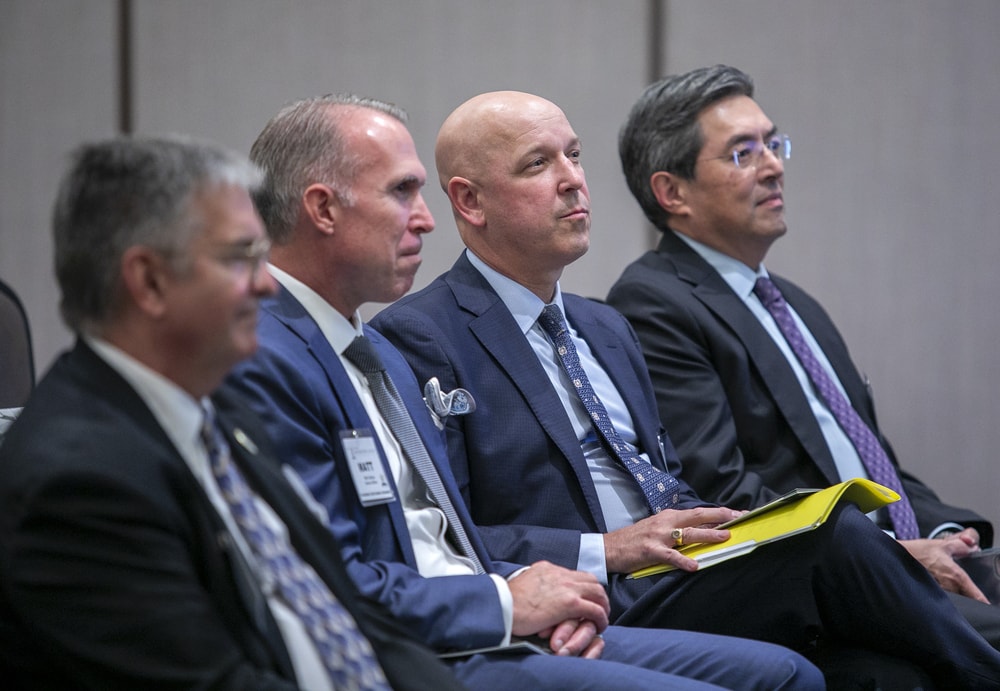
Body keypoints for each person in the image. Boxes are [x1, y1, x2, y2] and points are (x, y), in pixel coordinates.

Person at [370, 89, 1000, 689]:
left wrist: (749, 528)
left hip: (686, 566)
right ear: (470, 202)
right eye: (538, 163)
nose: (572, 179)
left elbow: (670, 482)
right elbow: (451, 534)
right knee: (837, 536)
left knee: (886, 666)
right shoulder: (421, 335)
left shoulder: (604, 325)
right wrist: (606, 549)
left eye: (575, 155)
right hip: (597, 588)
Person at [225, 93, 825, 690]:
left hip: (506, 605)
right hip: (432, 647)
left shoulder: (371, 351)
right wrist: (512, 604)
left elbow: (447, 533)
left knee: (795, 670)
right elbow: (331, 579)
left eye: (574, 156)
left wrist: (538, 597)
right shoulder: (273, 357)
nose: (427, 219)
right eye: (402, 191)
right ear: (324, 209)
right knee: (829, 570)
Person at [0, 135, 465, 690]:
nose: (267, 283)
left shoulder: (224, 416)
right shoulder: (79, 483)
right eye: (241, 257)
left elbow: (349, 607)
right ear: (149, 282)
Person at [604, 65, 1000, 641]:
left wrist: (944, 534)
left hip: (903, 557)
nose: (774, 166)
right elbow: (723, 493)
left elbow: (867, 460)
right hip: (825, 586)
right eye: (743, 153)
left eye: (773, 143)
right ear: (672, 191)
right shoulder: (654, 303)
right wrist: (893, 554)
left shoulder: (793, 304)